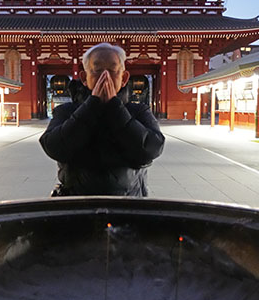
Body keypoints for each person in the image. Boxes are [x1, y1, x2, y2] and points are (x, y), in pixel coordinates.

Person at [40, 42, 165, 196]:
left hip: (128, 200)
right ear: (84, 78)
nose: (105, 77)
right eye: (97, 71)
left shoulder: (139, 111)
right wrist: (92, 105)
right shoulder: (66, 111)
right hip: (77, 200)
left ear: (124, 78)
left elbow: (150, 150)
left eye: (113, 71)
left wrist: (115, 107)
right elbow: (54, 147)